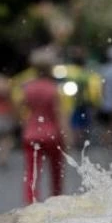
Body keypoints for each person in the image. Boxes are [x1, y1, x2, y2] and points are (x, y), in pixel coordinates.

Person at [20, 48, 70, 205]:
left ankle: (31, 203)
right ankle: (56, 201)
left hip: (31, 134)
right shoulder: (53, 88)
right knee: (56, 173)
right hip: (52, 135)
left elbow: (21, 109)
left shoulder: (27, 88)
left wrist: (25, 124)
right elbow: (59, 114)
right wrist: (67, 135)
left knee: (31, 173)